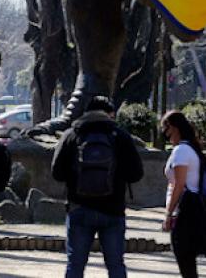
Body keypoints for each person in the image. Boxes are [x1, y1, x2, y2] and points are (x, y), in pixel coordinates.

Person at [52, 96, 145, 278]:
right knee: (116, 265)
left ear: (86, 112)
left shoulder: (72, 135)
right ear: (109, 114)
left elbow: (57, 173)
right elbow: (136, 174)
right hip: (113, 210)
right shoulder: (120, 136)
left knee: (75, 265)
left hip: (79, 208)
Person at [160, 110, 206, 278]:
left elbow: (179, 184)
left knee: (185, 261)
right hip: (190, 210)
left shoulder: (181, 151)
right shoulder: (188, 149)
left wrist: (168, 214)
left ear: (173, 127)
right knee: (187, 262)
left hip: (185, 211)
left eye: (165, 127)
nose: (164, 133)